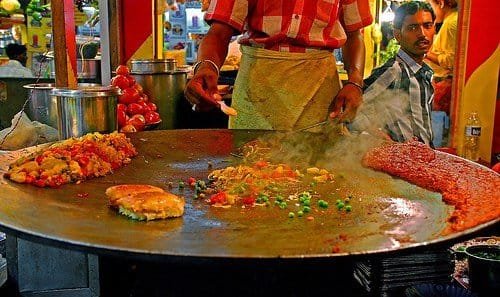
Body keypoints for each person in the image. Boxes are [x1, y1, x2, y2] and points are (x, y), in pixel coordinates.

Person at [184, 0, 373, 130]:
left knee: (319, 173)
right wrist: (206, 67)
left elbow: (354, 35)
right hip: (257, 90)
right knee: (247, 173)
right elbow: (218, 33)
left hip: (320, 91)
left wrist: (355, 81)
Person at [350, 1, 436, 146]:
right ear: (397, 34)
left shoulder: (426, 72)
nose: (422, 34)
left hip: (424, 160)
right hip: (400, 163)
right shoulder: (393, 71)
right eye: (412, 27)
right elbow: (352, 115)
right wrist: (377, 136)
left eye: (427, 26)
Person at [425, 0, 458, 116]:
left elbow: (451, 61)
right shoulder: (450, 20)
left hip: (445, 83)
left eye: (430, 5)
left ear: (441, 3)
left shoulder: (451, 23)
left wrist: (424, 53)